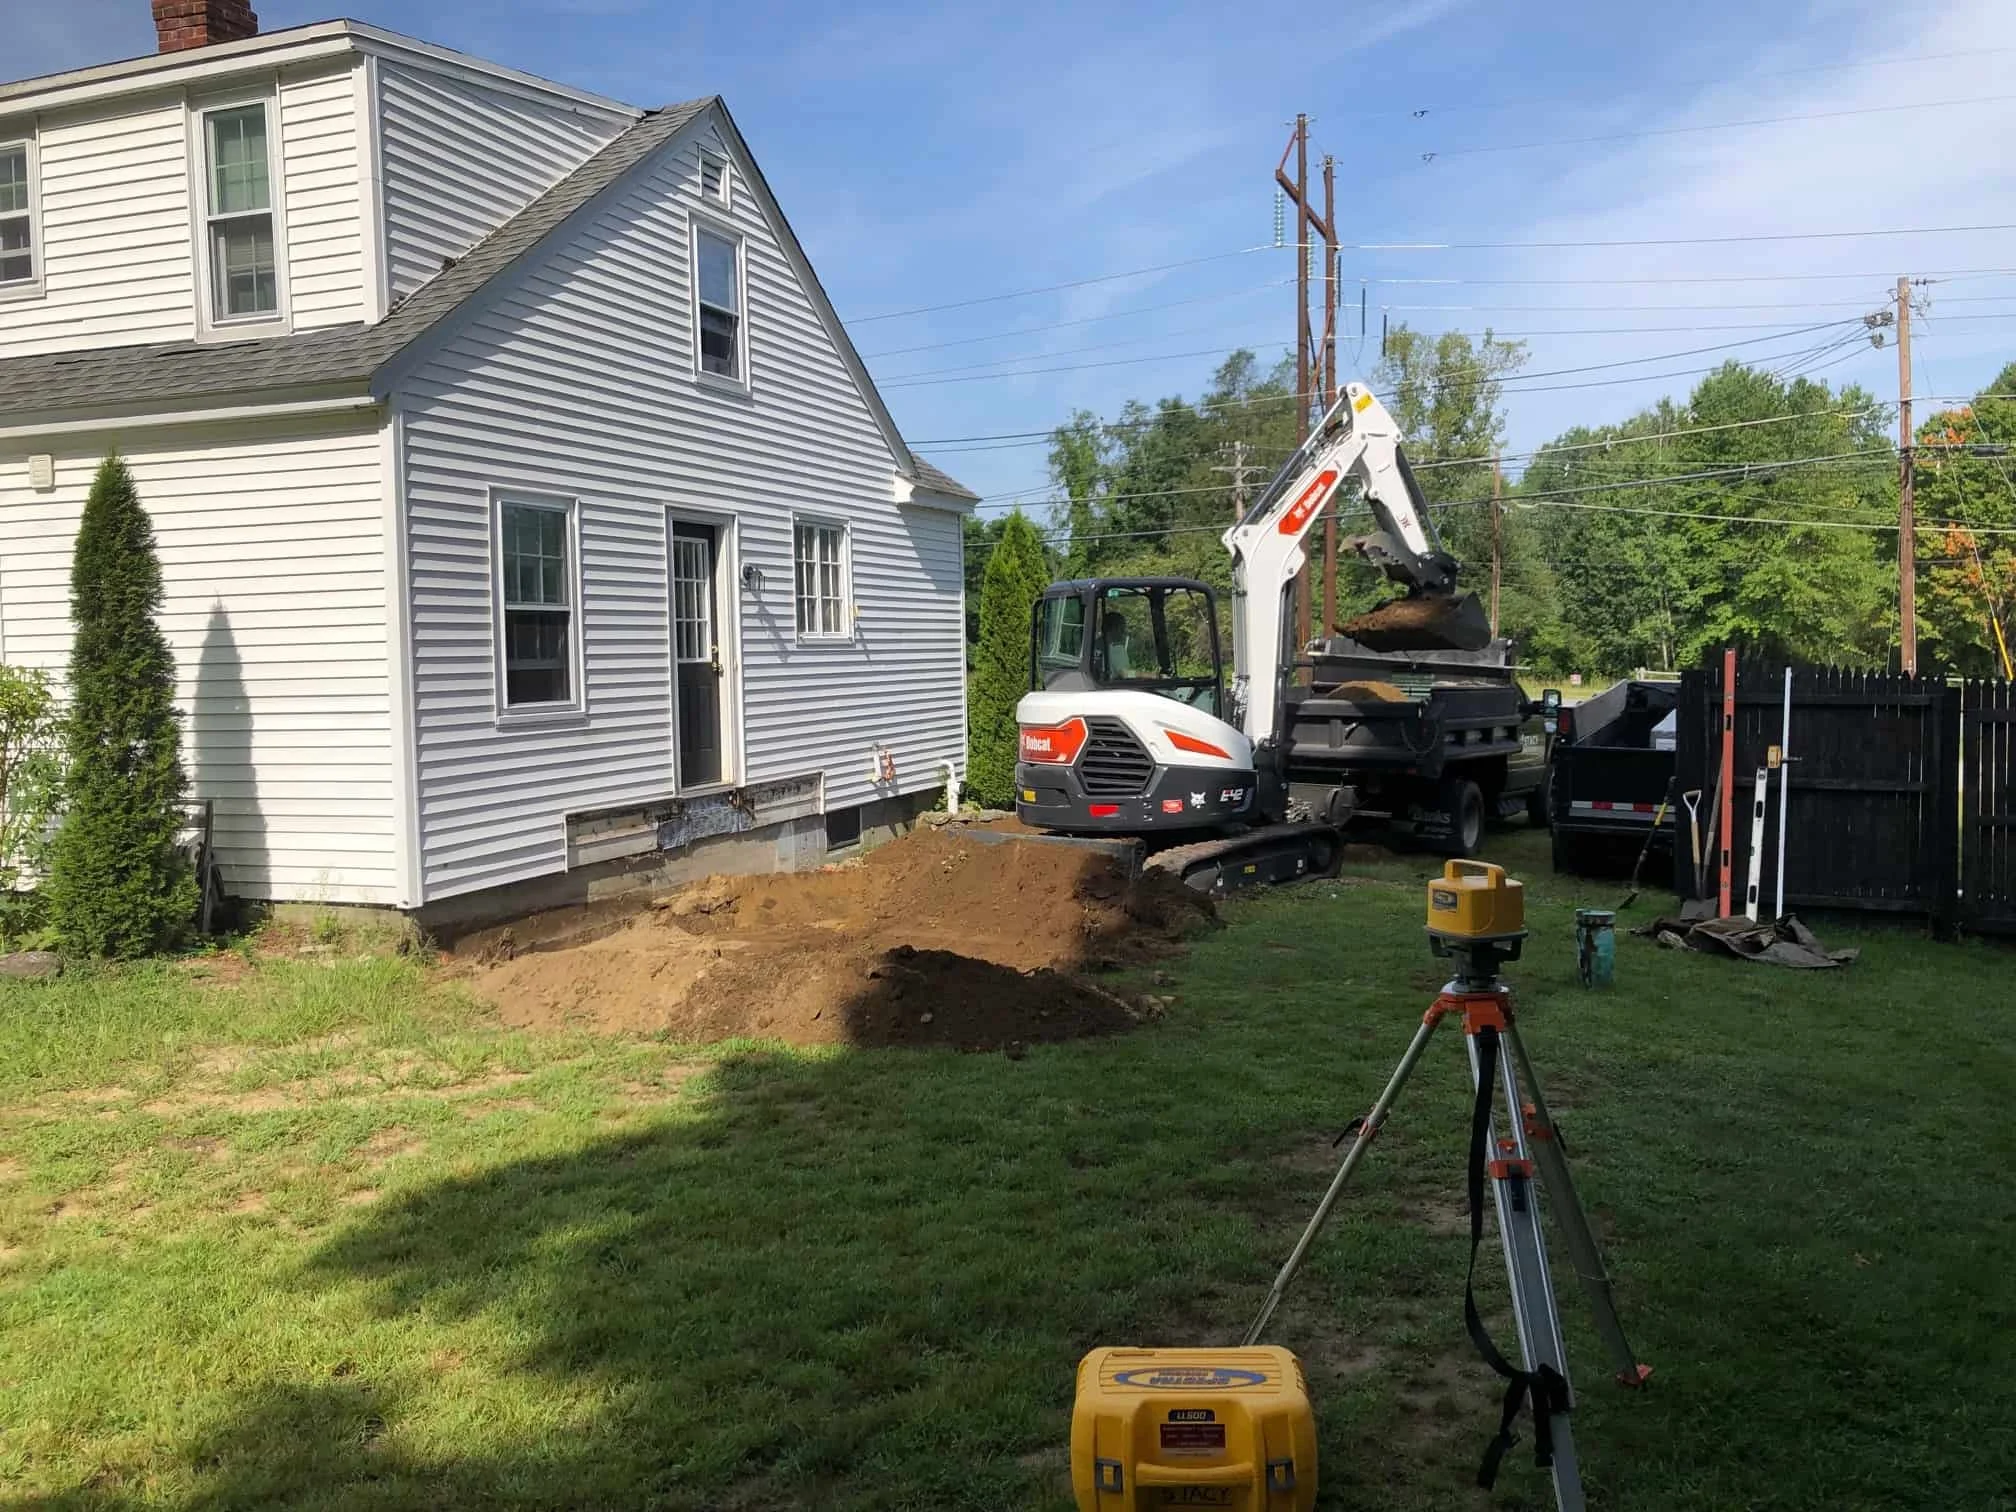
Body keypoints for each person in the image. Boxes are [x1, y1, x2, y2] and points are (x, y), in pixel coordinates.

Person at [1102, 610, 1132, 678]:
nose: (1124, 632)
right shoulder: (1117, 649)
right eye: (1122, 628)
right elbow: (1125, 674)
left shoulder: (1091, 647)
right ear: (1114, 628)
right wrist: (1150, 675)